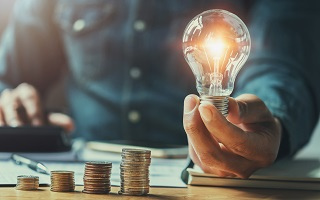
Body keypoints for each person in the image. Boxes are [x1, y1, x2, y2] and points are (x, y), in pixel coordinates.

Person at [0, 0, 319, 178]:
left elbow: (281, 63)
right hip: (86, 170)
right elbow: (9, 75)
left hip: (202, 173)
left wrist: (270, 117)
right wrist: (8, 100)